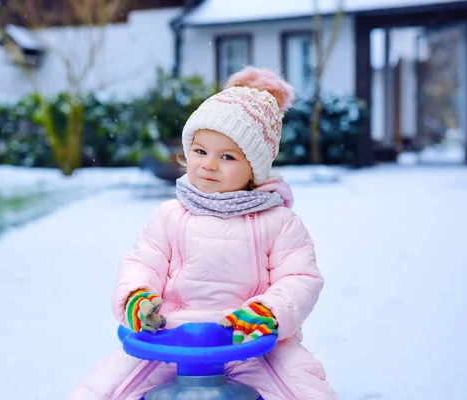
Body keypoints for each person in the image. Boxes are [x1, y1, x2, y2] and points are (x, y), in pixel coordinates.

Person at [67, 66, 338, 400]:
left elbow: (299, 278)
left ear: (254, 167)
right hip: (170, 340)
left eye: (227, 156)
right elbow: (142, 262)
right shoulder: (169, 216)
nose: (209, 164)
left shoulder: (279, 222)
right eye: (200, 151)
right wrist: (137, 297)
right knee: (104, 388)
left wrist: (268, 311)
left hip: (250, 342)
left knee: (304, 388)